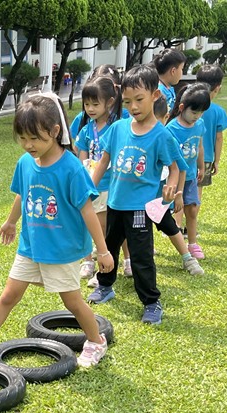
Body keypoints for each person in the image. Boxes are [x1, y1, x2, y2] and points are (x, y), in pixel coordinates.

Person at [0, 93, 112, 368]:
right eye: (22, 138)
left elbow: (88, 211)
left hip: (62, 248)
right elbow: (23, 194)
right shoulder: (25, 163)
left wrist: (102, 251)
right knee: (9, 295)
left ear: (55, 131)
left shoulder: (71, 169)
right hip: (31, 245)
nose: (28, 144)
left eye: (34, 138)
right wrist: (11, 222)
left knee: (72, 301)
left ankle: (96, 341)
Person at [88, 65, 181, 325]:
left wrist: (172, 186)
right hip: (115, 203)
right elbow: (104, 161)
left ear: (155, 95)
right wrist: (89, 189)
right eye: (128, 102)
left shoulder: (161, 135)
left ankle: (151, 302)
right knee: (109, 247)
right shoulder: (118, 128)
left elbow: (174, 168)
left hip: (140, 208)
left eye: (139, 99)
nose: (133, 107)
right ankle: (105, 285)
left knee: (141, 256)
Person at [73, 76, 122, 281]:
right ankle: (87, 261)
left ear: (109, 102)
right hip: (90, 185)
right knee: (85, 223)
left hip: (110, 185)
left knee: (105, 226)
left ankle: (106, 262)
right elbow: (82, 158)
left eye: (95, 104)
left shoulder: (117, 127)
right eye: (86, 104)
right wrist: (85, 179)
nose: (90, 109)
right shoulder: (86, 129)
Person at [165, 83, 212, 269]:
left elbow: (199, 146)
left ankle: (192, 243)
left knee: (192, 209)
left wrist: (201, 167)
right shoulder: (171, 129)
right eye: (194, 112)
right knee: (168, 213)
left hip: (191, 176)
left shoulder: (199, 125)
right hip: (174, 178)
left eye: (201, 113)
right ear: (182, 107)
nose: (197, 116)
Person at [196, 64, 227, 191]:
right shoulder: (218, 111)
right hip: (206, 157)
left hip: (186, 154)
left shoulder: (188, 105)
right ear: (217, 88)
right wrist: (216, 161)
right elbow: (219, 138)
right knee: (198, 190)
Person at [153, 48, 187, 115]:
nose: (182, 72)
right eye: (181, 68)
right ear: (173, 71)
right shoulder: (159, 91)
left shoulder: (168, 87)